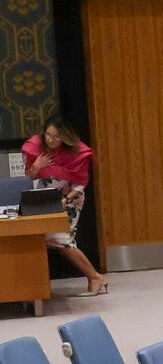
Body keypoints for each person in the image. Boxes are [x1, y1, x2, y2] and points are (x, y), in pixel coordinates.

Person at [20, 118, 105, 294]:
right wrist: (37, 165)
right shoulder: (35, 147)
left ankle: (95, 277)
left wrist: (65, 200)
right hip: (44, 199)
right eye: (48, 135)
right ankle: (36, 286)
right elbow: (30, 176)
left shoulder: (77, 152)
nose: (50, 140)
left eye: (56, 137)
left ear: (65, 137)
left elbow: (81, 183)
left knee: (62, 239)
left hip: (69, 199)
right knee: (49, 238)